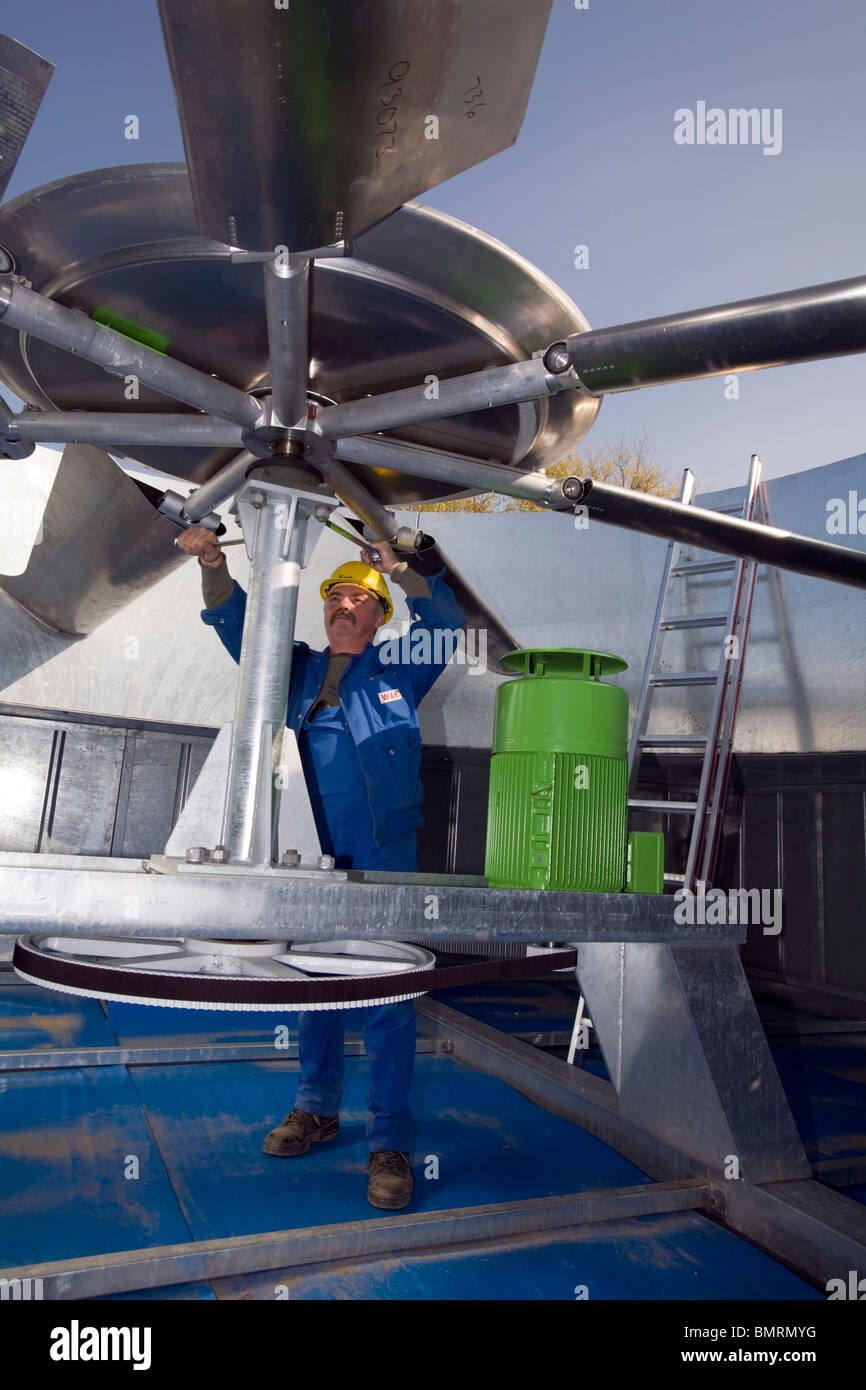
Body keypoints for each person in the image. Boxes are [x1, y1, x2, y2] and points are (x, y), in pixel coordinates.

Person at [177, 522, 465, 1209]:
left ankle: (389, 1142)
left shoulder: (401, 669)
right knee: (312, 984)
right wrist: (214, 564)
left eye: (358, 598)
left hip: (383, 850)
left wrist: (399, 567)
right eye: (334, 594)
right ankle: (317, 1108)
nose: (343, 603)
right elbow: (238, 623)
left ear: (379, 614)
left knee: (389, 994)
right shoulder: (291, 667)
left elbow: (447, 620)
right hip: (303, 848)